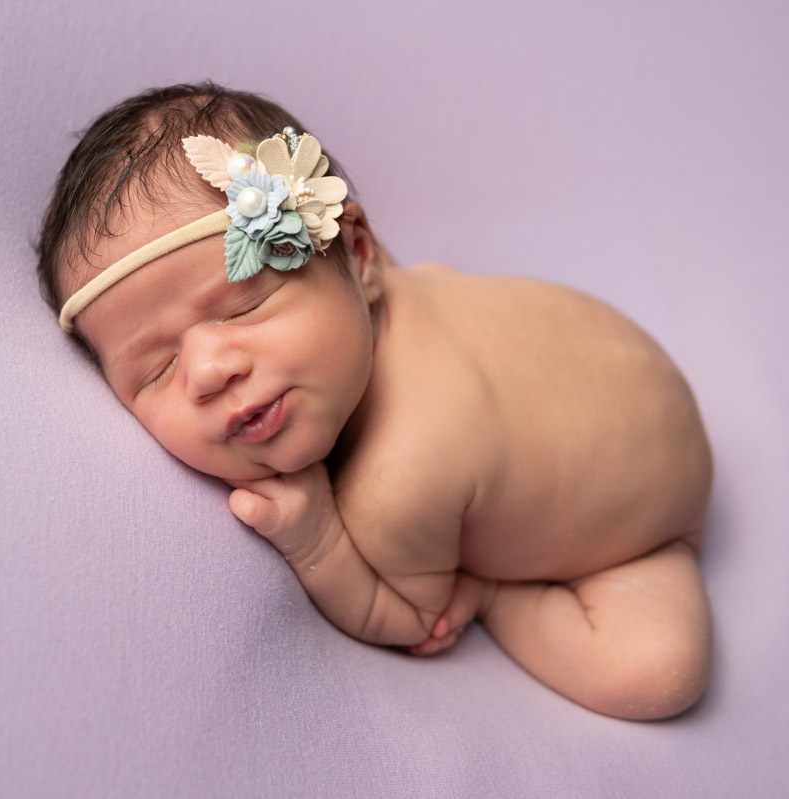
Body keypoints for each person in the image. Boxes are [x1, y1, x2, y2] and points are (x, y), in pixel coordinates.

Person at [35, 82, 714, 721]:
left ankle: (502, 591)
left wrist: (319, 538)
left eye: (247, 303)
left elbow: (408, 616)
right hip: (631, 364)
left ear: (359, 253)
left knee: (657, 673)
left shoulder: (399, 478)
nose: (209, 369)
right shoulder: (375, 285)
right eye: (157, 368)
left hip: (641, 538)